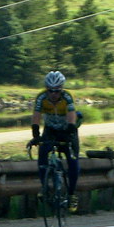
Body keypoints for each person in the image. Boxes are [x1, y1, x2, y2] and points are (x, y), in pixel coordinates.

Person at [30, 70, 80, 212]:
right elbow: (36, 116)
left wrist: (70, 131)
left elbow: (71, 115)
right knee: (42, 154)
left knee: (73, 160)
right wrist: (35, 134)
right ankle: (44, 187)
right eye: (50, 91)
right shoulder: (41, 98)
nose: (53, 94)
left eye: (57, 91)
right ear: (46, 89)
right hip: (51, 130)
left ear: (61, 89)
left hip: (67, 130)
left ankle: (71, 194)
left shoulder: (67, 97)